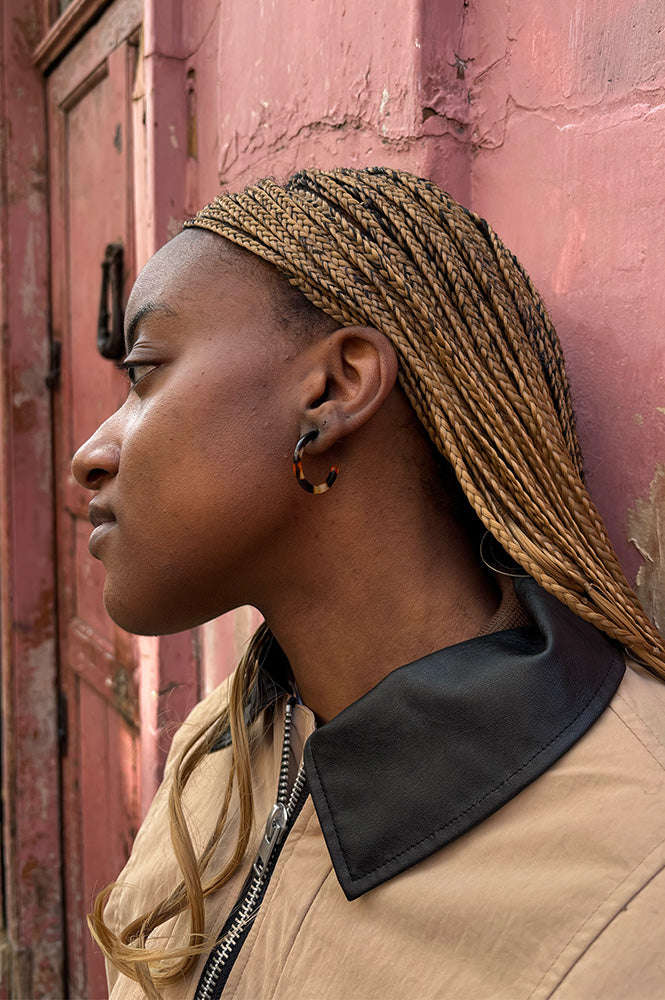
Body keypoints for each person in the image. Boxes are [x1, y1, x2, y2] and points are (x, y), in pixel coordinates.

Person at [72, 167, 665, 1000]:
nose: (90, 454)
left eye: (143, 371)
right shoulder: (230, 738)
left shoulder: (637, 894)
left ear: (335, 387)